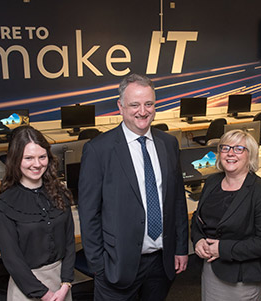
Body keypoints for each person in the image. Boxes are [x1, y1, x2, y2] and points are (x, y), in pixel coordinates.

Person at [78, 74, 189, 300]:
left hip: (161, 262)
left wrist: (180, 248)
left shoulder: (168, 144)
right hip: (117, 266)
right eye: (134, 105)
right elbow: (89, 213)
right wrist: (99, 266)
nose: (143, 111)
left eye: (149, 104)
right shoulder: (98, 150)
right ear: (120, 106)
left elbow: (177, 201)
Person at [191, 129, 261, 301]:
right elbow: (198, 218)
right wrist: (198, 239)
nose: (230, 153)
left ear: (250, 155)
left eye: (239, 148)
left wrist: (222, 249)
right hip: (210, 267)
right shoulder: (211, 182)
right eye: (225, 148)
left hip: (240, 276)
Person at [0, 126, 75, 301]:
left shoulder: (60, 193)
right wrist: (45, 295)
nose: (37, 164)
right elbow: (12, 260)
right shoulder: (5, 204)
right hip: (27, 287)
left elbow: (69, 243)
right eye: (28, 158)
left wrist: (66, 283)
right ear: (15, 160)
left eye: (42, 157)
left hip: (61, 286)